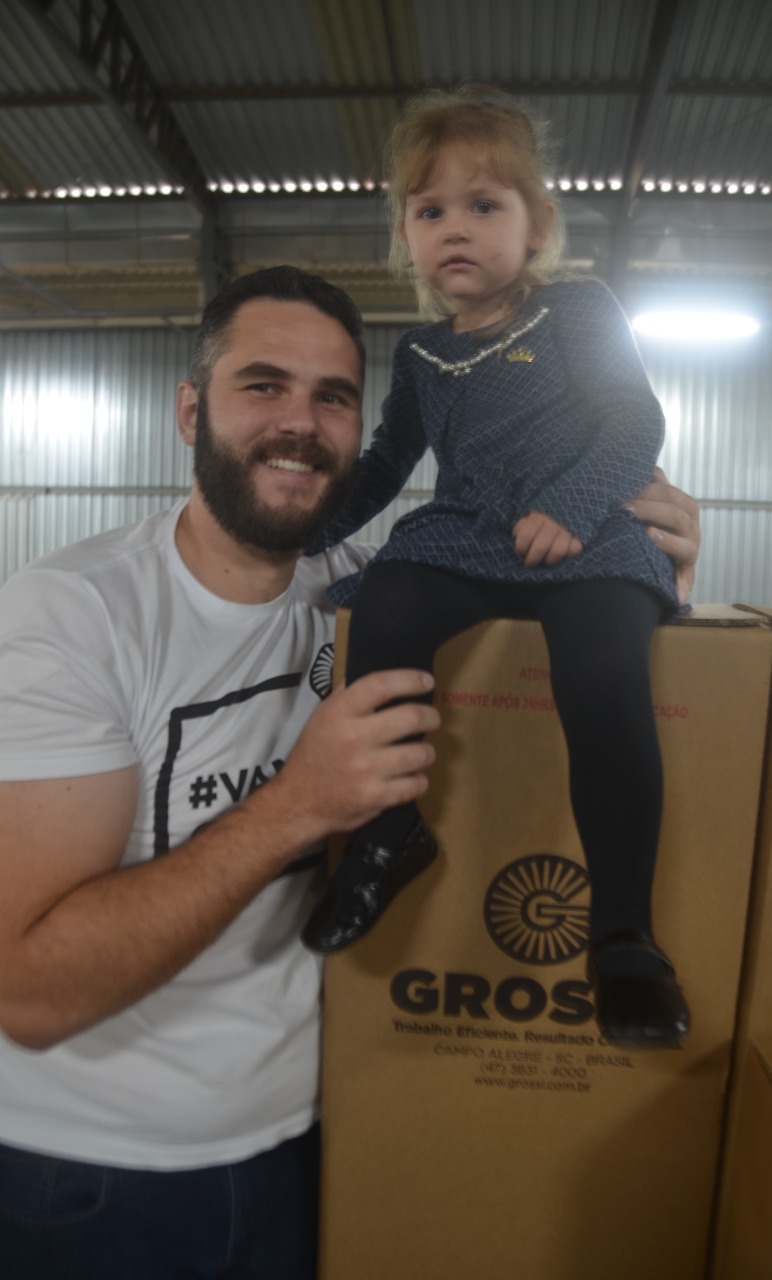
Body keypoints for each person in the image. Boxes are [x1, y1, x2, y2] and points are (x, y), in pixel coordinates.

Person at [0, 264, 700, 1279]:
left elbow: (567, 648)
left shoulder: (368, 590)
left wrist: (651, 565)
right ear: (191, 411)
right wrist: (296, 805)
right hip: (93, 1175)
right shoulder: (71, 615)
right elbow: (29, 990)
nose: (301, 422)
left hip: (304, 1144)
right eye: (263, 385)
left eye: (332, 397)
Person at [301, 85, 690, 1051]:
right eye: (429, 210)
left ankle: (623, 931)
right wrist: (307, 533)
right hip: (470, 532)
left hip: (586, 532)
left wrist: (573, 504)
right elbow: (386, 464)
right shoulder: (421, 353)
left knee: (598, 666)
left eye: (483, 205)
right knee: (389, 602)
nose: (455, 229)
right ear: (405, 235)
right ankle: (390, 830)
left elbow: (633, 418)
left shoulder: (576, 309)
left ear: (536, 225)